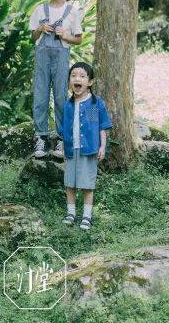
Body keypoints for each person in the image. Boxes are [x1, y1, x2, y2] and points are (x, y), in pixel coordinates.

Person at [29, 0, 83, 159]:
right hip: (42, 59)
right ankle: (40, 137)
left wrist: (65, 35)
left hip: (61, 58)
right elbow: (32, 37)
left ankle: (62, 138)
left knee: (61, 97)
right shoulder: (39, 10)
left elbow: (78, 39)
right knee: (40, 97)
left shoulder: (72, 11)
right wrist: (40, 29)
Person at [57, 62, 111, 231]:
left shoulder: (93, 104)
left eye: (82, 76)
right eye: (73, 76)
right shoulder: (68, 105)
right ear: (69, 81)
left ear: (90, 82)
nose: (77, 79)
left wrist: (102, 146)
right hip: (71, 150)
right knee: (70, 184)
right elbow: (65, 129)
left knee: (87, 184)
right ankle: (71, 213)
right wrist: (63, 148)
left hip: (88, 150)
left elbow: (98, 126)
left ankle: (86, 217)